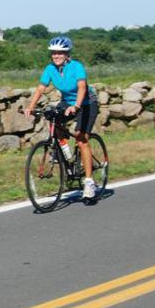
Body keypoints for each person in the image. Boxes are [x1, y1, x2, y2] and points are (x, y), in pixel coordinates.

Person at [23, 36, 100, 200]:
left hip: (86, 103)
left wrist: (76, 106)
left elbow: (81, 87)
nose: (56, 56)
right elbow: (40, 89)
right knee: (52, 119)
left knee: (81, 138)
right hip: (67, 102)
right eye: (53, 53)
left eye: (60, 53)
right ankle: (64, 153)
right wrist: (31, 106)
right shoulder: (50, 69)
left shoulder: (76, 66)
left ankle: (89, 182)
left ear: (67, 54)